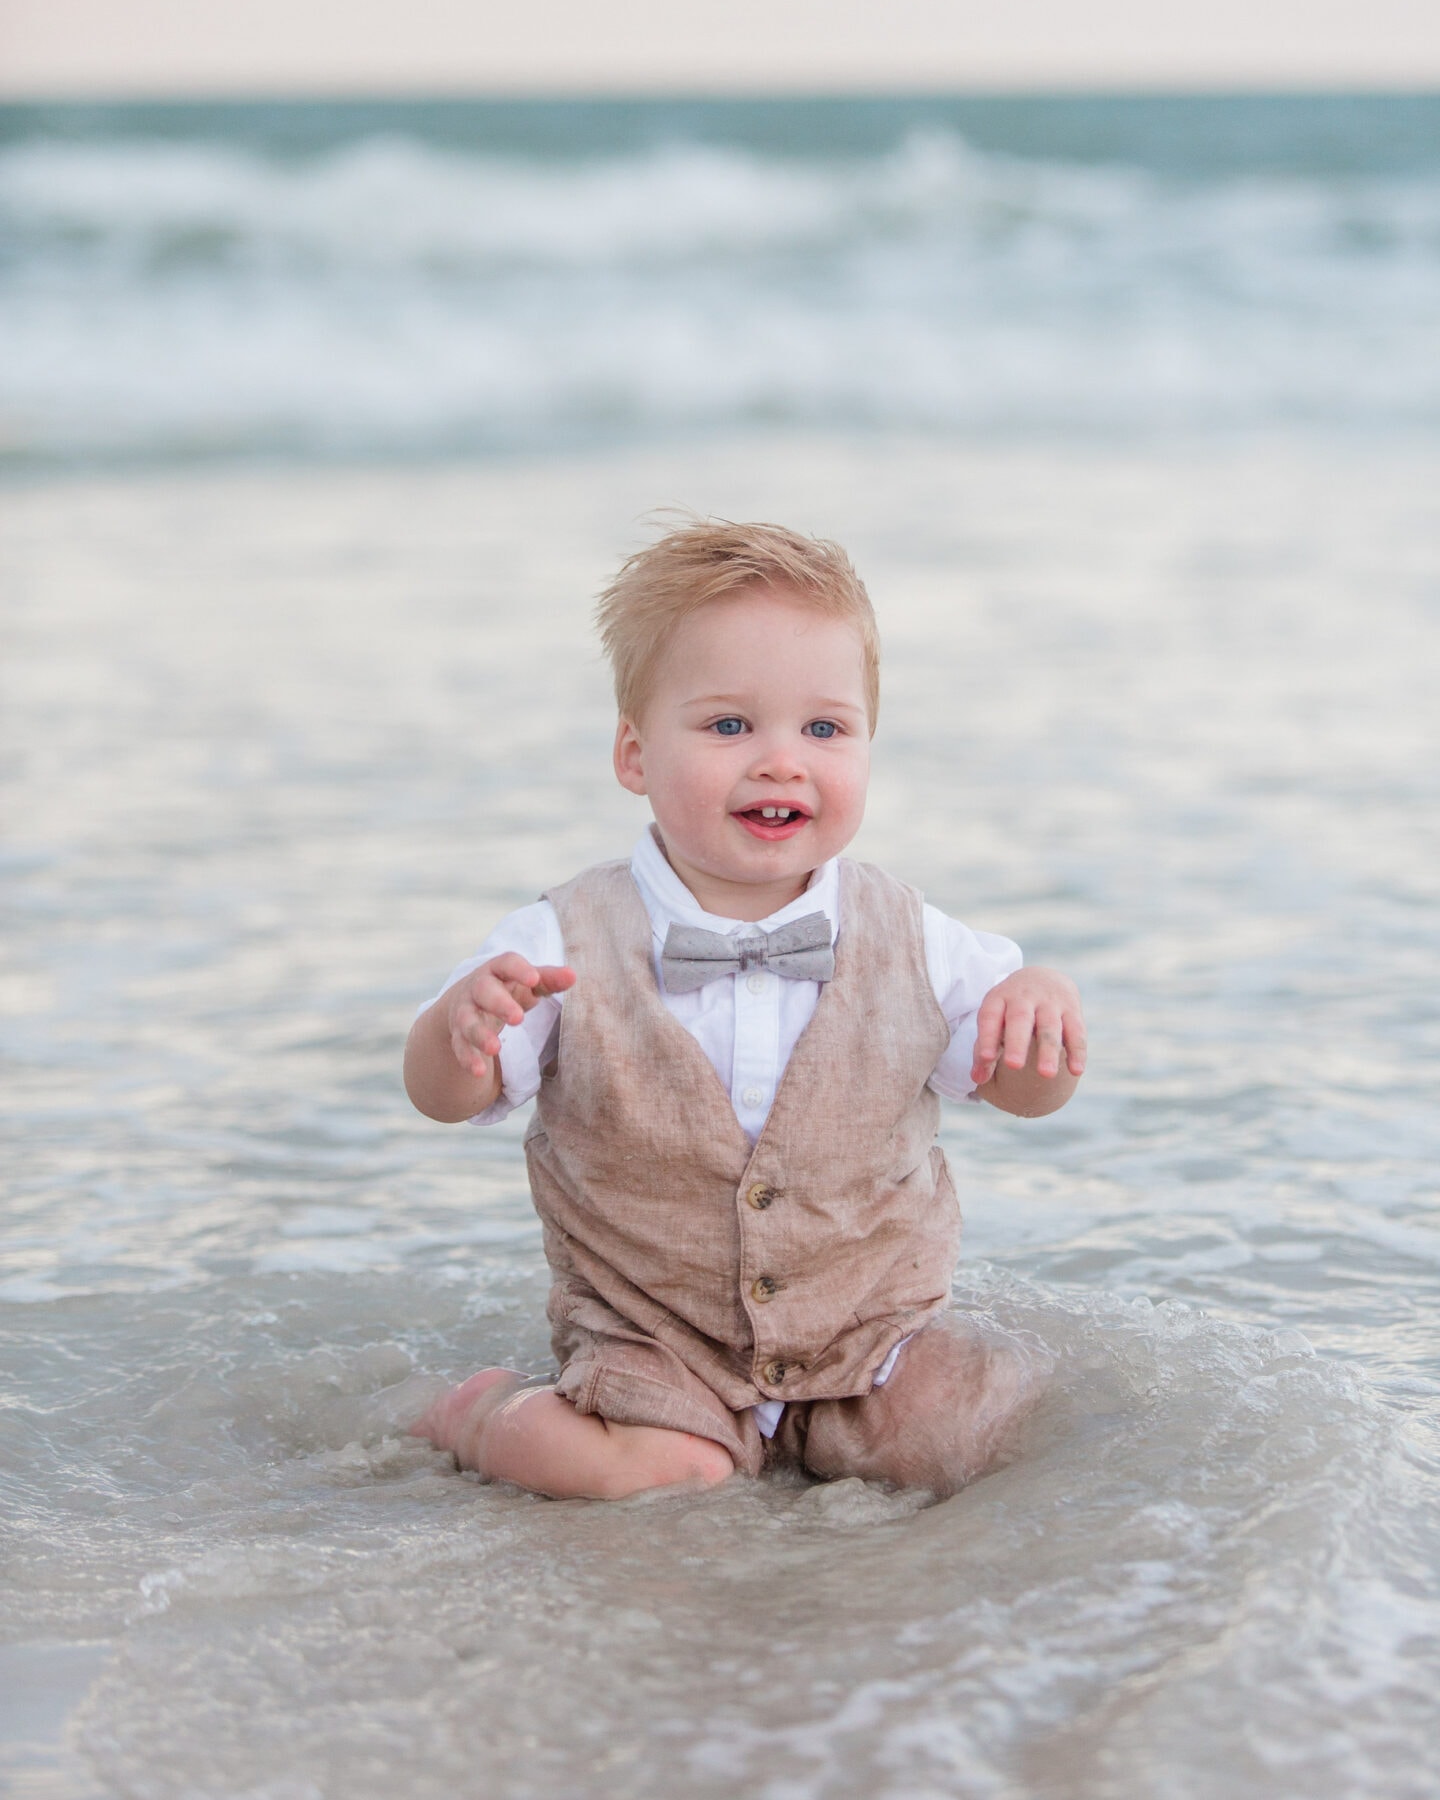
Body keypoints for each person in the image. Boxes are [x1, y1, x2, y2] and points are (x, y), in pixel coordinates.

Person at [404, 521, 1086, 1500]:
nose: (781, 762)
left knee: (985, 1444)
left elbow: (1026, 1093)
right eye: (730, 726)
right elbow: (441, 1095)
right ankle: (479, 1415)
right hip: (659, 1342)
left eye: (824, 728)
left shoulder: (918, 939)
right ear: (635, 755)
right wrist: (454, 1034)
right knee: (660, 1475)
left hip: (869, 1337)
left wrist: (1044, 1013)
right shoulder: (560, 942)